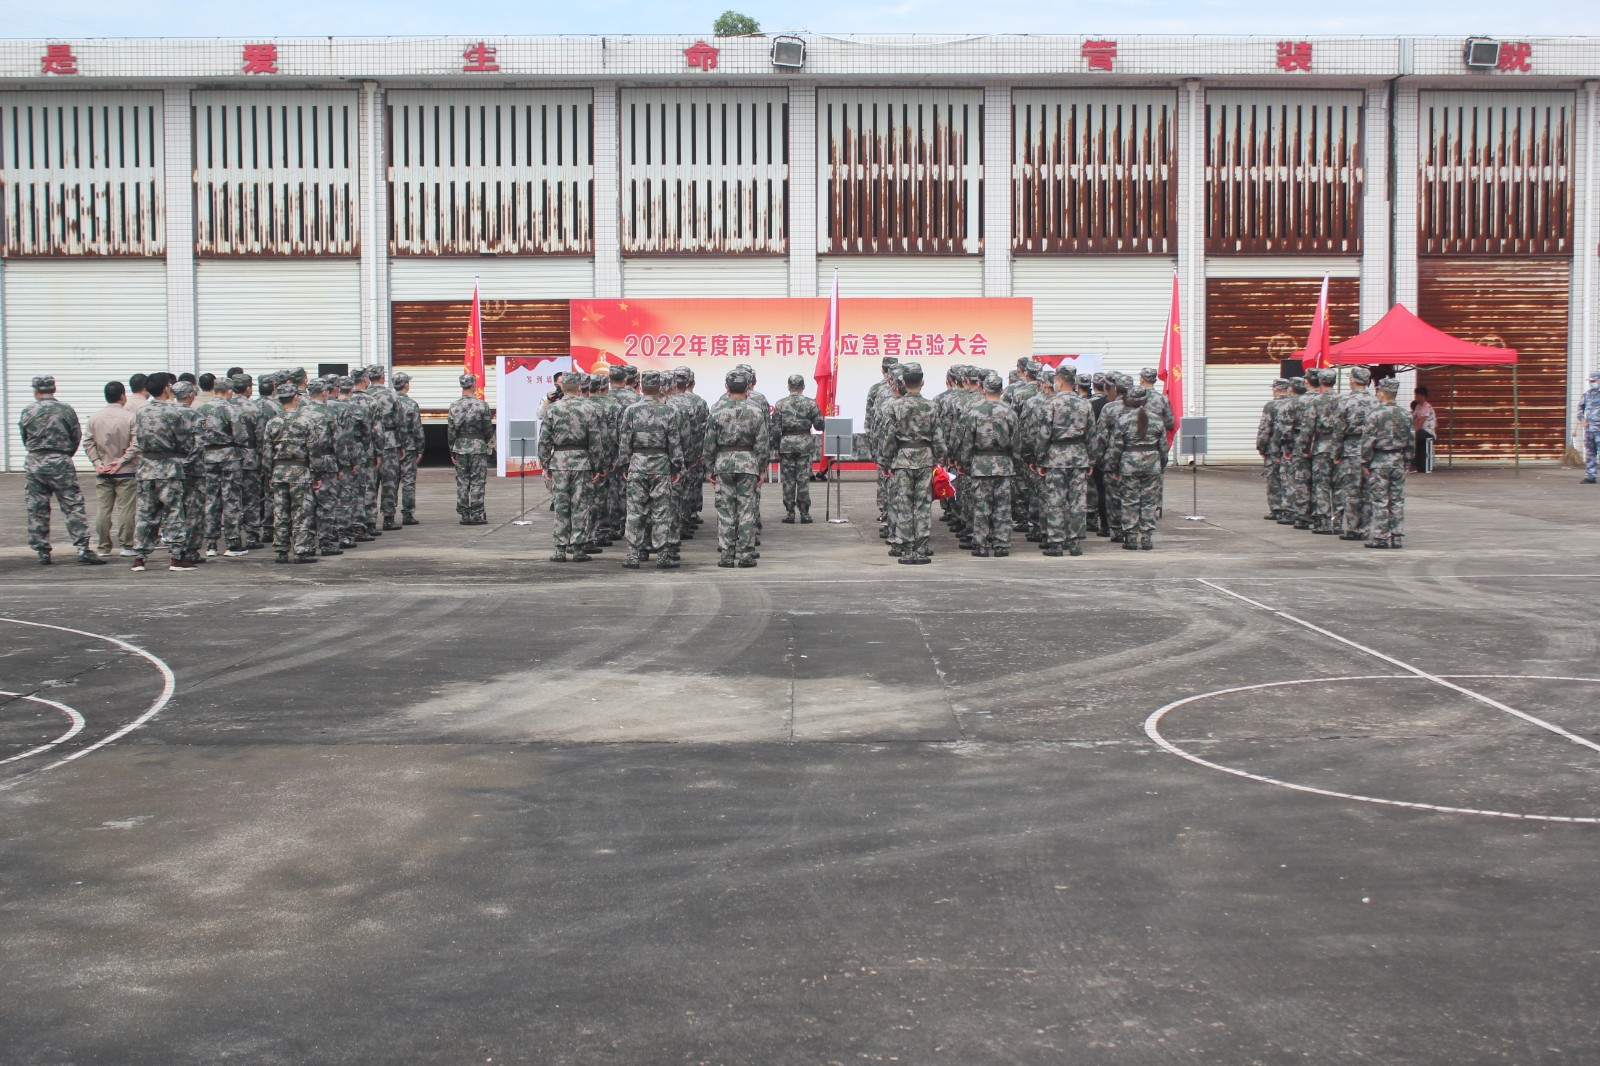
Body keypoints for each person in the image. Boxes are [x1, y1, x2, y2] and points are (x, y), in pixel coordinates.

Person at [19, 375, 105, 566]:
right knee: (72, 504)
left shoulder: (28, 411)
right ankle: (83, 548)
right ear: (54, 389)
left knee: (37, 507)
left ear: (36, 391)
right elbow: (76, 436)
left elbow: (25, 437)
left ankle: (42, 551)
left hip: (35, 462)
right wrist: (64, 454)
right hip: (61, 461)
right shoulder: (65, 410)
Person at [130, 373, 198, 572]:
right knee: (174, 512)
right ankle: (177, 557)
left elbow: (137, 438)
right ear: (166, 389)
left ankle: (139, 557)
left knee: (145, 513)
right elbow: (184, 441)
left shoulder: (140, 412)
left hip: (146, 466)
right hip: (169, 467)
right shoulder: (173, 412)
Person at [617, 370, 684, 570]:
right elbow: (674, 442)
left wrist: (624, 464)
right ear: (659, 387)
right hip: (661, 464)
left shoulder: (631, 410)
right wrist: (677, 466)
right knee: (661, 511)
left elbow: (625, 441)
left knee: (635, 511)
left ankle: (633, 555)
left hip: (637, 463)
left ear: (642, 387)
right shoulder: (668, 411)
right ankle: (662, 555)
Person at [877, 361, 941, 565]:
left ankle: (907, 550)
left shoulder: (895, 406)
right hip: (925, 458)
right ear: (922, 382)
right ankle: (921, 549)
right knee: (922, 505)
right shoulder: (932, 406)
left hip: (903, 459)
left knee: (904, 504)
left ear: (903, 382)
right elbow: (938, 437)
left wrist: (885, 462)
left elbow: (889, 437)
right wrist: (940, 459)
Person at [703, 369, 768, 568]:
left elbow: (709, 444)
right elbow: (762, 445)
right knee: (747, 511)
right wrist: (762, 469)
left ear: (727, 387)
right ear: (748, 388)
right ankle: (746, 555)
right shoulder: (756, 411)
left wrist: (709, 468)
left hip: (723, 464)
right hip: (748, 464)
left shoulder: (717, 411)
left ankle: (727, 556)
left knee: (726, 512)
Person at [952, 372, 1020, 558]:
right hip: (1004, 465)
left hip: (981, 465)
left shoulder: (974, 412)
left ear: (983, 389)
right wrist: (1014, 463)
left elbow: (967, 442)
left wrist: (965, 463)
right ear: (1001, 390)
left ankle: (981, 544)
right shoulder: (1010, 413)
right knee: (1003, 507)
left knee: (981, 507)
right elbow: (1016, 443)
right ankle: (1001, 544)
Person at [537, 373, 604, 562]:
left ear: (563, 387)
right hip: (582, 462)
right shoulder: (589, 408)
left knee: (561, 505)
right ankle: (579, 549)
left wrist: (546, 464)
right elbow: (595, 441)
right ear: (580, 387)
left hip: (559, 461)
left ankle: (560, 549)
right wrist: (598, 466)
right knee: (580, 505)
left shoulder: (553, 409)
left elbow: (544, 440)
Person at [1032, 364, 1095, 557]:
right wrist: (1091, 460)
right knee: (1078, 501)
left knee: (1055, 501)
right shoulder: (1085, 404)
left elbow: (1044, 435)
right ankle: (1075, 543)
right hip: (1079, 456)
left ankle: (1056, 543)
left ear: (1059, 381)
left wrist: (1040, 459)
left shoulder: (1051, 404)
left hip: (1056, 457)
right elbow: (1092, 435)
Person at [1104, 385, 1168, 550]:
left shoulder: (1123, 420)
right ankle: (1146, 538)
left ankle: (1131, 538)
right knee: (1149, 503)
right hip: (1152, 465)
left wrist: (1113, 467)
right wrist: (1161, 464)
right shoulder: (1156, 420)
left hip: (1129, 466)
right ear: (1145, 400)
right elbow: (1163, 447)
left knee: (1129, 501)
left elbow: (1116, 447)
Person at [263, 382, 321, 564]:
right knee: (301, 512)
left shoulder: (272, 422)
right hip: (300, 472)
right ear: (296, 397)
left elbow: (267, 452)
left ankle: (281, 549)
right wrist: (317, 474)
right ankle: (301, 550)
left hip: (279, 472)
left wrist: (269, 474)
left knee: (280, 511)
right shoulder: (305, 421)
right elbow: (313, 450)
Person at [84, 380, 140, 558]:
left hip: (103, 470)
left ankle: (103, 547)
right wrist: (122, 460)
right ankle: (126, 545)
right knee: (126, 510)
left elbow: (88, 442)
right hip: (126, 470)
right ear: (122, 396)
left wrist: (97, 462)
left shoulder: (94, 418)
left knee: (103, 510)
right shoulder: (130, 417)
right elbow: (136, 443)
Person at [196, 374, 248, 557]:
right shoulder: (232, 409)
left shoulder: (202, 409)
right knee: (231, 499)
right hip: (229, 457)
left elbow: (197, 434)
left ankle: (211, 544)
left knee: (211, 500)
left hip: (208, 457)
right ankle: (232, 543)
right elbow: (241, 436)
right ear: (229, 391)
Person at [1363, 377, 1415, 549]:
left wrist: (1365, 462)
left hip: (1379, 461)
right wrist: (1407, 461)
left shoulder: (1375, 414)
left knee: (1380, 499)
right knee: (1397, 499)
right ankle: (1397, 536)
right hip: (1398, 460)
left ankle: (1380, 537)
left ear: (1381, 393)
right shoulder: (1405, 414)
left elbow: (1368, 441)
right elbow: (1411, 440)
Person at [1330, 367, 1377, 541]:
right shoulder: (1376, 401)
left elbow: (1338, 430)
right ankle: (1365, 528)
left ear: (1352, 380)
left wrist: (1336, 453)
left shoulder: (1345, 401)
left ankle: (1352, 528)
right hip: (1371, 450)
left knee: (1351, 491)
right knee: (1367, 491)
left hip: (1351, 450)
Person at [771, 374, 824, 524]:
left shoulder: (780, 404)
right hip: (804, 444)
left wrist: (776, 446)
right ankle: (805, 513)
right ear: (803, 387)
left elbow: (776, 429)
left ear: (788, 387)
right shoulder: (810, 403)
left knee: (788, 480)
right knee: (803, 479)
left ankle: (790, 513)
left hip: (786, 444)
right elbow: (819, 425)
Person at [447, 374, 494, 528]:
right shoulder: (482, 405)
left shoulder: (454, 406)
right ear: (474, 385)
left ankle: (464, 514)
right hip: (478, 446)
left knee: (462, 481)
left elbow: (451, 430)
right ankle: (476, 514)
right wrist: (482, 441)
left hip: (460, 447)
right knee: (477, 481)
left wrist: (452, 449)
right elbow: (488, 428)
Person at [393, 371, 425, 524]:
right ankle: (407, 514)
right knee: (408, 481)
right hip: (409, 447)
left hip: (391, 447)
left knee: (391, 481)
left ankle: (389, 514)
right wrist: (420, 448)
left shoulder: (387, 402)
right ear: (406, 385)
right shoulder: (411, 404)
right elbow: (417, 428)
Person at [1256, 378, 1289, 522]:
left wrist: (1261, 447)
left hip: (1273, 448)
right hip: (1290, 449)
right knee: (1288, 479)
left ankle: (1277, 509)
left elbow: (1265, 429)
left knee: (1273, 479)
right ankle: (1289, 509)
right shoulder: (1293, 404)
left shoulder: (1271, 406)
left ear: (1275, 389)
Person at [1575, 370, 1600, 484]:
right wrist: (1581, 418)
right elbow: (1580, 407)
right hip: (1589, 429)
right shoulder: (1587, 394)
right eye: (1590, 381)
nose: (1591, 383)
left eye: (1594, 380)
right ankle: (1591, 476)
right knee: (1590, 453)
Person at [1411, 384, 1437, 473]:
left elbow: (1420, 422)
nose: (1415, 397)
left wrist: (1412, 432)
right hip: (1420, 431)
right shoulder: (1418, 406)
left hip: (1428, 432)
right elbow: (1413, 418)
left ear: (1421, 395)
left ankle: (1413, 464)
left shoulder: (1426, 407)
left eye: (1416, 395)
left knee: (1413, 437)